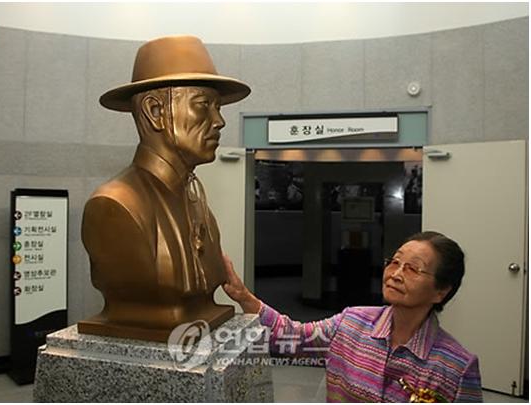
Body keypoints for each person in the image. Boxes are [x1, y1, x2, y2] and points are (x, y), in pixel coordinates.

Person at [78, 35, 251, 341]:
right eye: (203, 105)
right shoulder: (114, 205)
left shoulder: (197, 200)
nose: (219, 121)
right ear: (155, 111)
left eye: (218, 106)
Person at [222, 231, 483, 402]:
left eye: (413, 269)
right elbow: (291, 337)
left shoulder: (456, 367)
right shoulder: (351, 323)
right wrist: (243, 295)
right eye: (394, 262)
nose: (396, 274)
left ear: (441, 291)